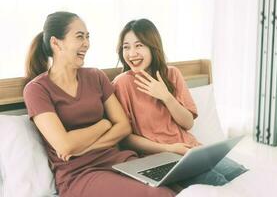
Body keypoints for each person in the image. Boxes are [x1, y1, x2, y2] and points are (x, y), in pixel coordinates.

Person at [23, 12, 175, 197]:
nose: (86, 43)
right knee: (159, 195)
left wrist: (87, 147)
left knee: (177, 186)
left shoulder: (96, 76)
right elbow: (64, 146)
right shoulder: (37, 89)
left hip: (120, 160)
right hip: (80, 174)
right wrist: (104, 124)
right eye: (80, 36)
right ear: (56, 43)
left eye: (88, 37)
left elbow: (124, 126)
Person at [113, 18, 248, 187]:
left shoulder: (172, 74)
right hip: (158, 158)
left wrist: (166, 97)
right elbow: (125, 139)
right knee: (217, 183)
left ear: (153, 46)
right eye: (126, 47)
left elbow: (188, 123)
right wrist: (170, 149)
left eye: (139, 45)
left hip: (192, 151)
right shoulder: (121, 84)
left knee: (242, 176)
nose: (132, 53)